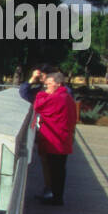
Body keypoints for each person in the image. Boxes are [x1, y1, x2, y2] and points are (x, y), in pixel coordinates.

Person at [19, 65, 78, 205]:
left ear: (58, 84)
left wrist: (41, 93)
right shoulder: (66, 96)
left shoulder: (59, 97)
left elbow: (39, 104)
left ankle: (56, 198)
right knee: (58, 169)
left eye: (49, 84)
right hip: (61, 139)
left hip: (56, 140)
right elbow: (26, 93)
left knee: (56, 170)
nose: (46, 87)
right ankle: (55, 196)